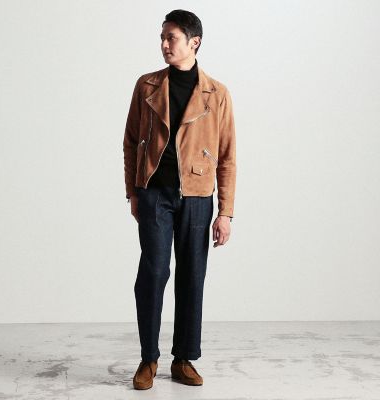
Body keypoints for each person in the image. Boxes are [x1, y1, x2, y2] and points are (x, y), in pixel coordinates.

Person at [122, 9, 236, 390]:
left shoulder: (217, 94)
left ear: (194, 42)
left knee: (192, 275)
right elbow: (130, 142)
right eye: (162, 37)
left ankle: (184, 358)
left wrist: (226, 212)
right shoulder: (147, 86)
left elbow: (227, 156)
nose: (164, 44)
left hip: (198, 196)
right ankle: (148, 359)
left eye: (171, 37)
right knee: (153, 273)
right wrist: (133, 192)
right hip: (154, 193)